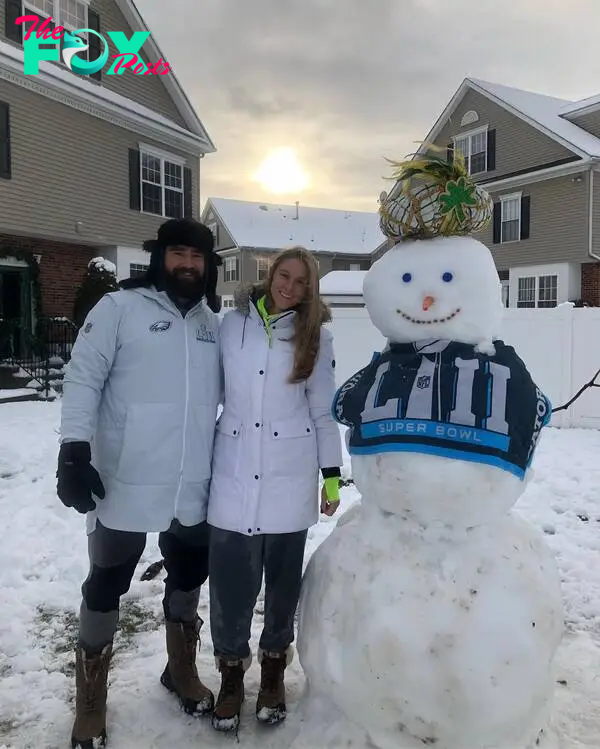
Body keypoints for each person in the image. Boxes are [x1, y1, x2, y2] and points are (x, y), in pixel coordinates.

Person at [57, 218, 222, 749]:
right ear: (160, 257)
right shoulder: (118, 309)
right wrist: (74, 450)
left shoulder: (211, 324)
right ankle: (90, 702)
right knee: (106, 584)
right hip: (123, 480)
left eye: (198, 257)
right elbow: (82, 377)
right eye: (179, 254)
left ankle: (180, 671)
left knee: (189, 575)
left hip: (191, 482)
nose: (189, 265)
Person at [207, 246, 344, 731]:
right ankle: (229, 674)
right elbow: (210, 395)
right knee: (229, 583)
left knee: (282, 584)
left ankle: (271, 671)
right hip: (234, 469)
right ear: (270, 275)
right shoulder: (231, 325)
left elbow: (324, 411)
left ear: (311, 289)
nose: (290, 287)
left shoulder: (316, 336)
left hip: (290, 472)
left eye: (302, 281)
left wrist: (332, 475)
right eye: (284, 276)